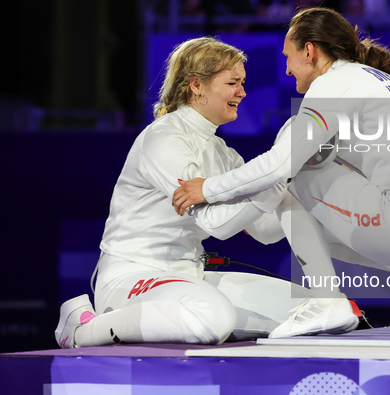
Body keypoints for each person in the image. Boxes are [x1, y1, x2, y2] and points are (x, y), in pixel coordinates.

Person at [172, 7, 390, 337]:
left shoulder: (335, 85)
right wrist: (253, 213)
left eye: (288, 56)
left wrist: (209, 189)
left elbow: (280, 165)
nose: (287, 70)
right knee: (317, 228)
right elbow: (282, 226)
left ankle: (327, 302)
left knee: (297, 174)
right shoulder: (385, 83)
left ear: (310, 50)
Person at [54, 37, 319, 349]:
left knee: (312, 310)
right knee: (212, 317)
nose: (242, 93)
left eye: (243, 83)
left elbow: (264, 231)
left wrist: (296, 181)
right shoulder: (164, 139)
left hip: (187, 280)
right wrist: (277, 173)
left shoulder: (222, 152)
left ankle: (183, 314)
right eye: (233, 82)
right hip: (131, 278)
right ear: (197, 86)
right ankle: (83, 329)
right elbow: (215, 224)